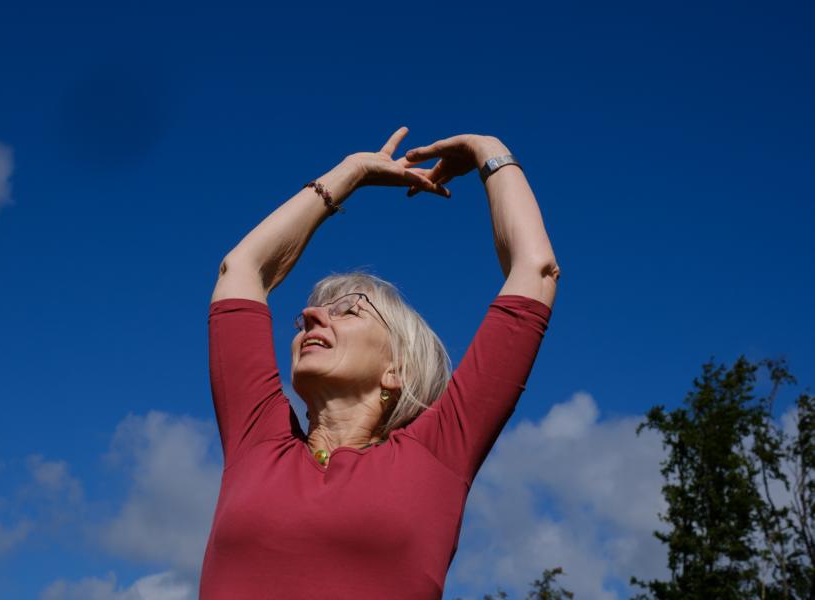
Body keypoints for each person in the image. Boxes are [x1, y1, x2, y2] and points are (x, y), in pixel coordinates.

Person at [201, 127, 561, 599]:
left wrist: (487, 150)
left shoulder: (437, 452)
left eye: (348, 309)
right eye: (306, 315)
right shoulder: (257, 440)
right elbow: (241, 270)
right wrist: (352, 172)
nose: (310, 316)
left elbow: (535, 271)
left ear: (398, 370)